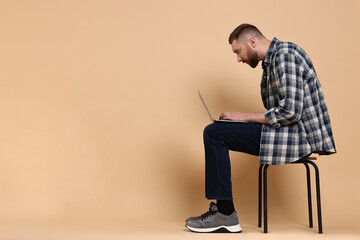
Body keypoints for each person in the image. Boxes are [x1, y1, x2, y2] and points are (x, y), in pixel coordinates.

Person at [185, 24, 336, 233]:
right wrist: (242, 121)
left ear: (252, 42)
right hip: (286, 133)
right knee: (217, 131)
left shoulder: (285, 56)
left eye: (238, 51)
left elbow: (291, 112)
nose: (238, 59)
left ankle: (225, 214)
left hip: (298, 137)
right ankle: (224, 211)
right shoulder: (270, 64)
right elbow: (278, 112)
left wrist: (244, 116)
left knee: (213, 134)